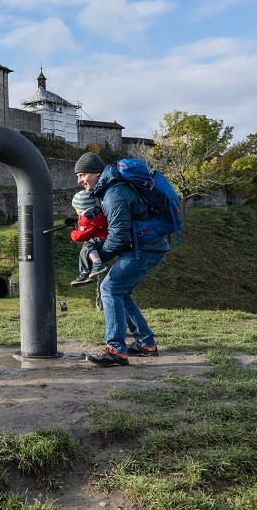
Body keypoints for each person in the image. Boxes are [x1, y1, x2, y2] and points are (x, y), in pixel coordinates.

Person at [73, 152, 168, 367]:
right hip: (147, 246)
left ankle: (116, 350)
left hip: (146, 249)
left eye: (82, 175)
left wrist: (100, 256)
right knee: (121, 291)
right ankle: (146, 344)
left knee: (111, 289)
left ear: (96, 173)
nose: (79, 180)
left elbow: (119, 234)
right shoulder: (112, 189)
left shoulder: (113, 194)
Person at [68, 189, 109, 286]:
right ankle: (85, 273)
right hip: (105, 236)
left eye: (76, 208)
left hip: (102, 238)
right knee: (85, 250)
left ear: (81, 207)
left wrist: (73, 232)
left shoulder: (88, 218)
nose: (75, 211)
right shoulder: (97, 212)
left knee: (88, 245)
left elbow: (82, 235)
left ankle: (97, 264)